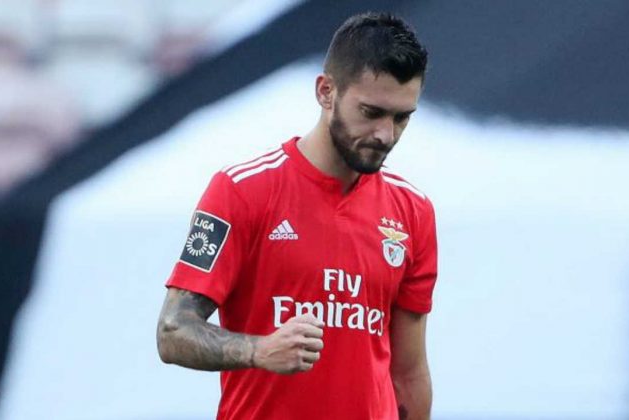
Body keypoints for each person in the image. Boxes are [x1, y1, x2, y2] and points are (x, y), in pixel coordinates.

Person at [157, 12, 437, 420]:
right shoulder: (241, 191)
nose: (386, 134)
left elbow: (409, 375)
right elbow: (173, 330)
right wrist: (258, 350)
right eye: (371, 112)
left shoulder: (412, 211)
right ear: (326, 92)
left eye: (401, 118)